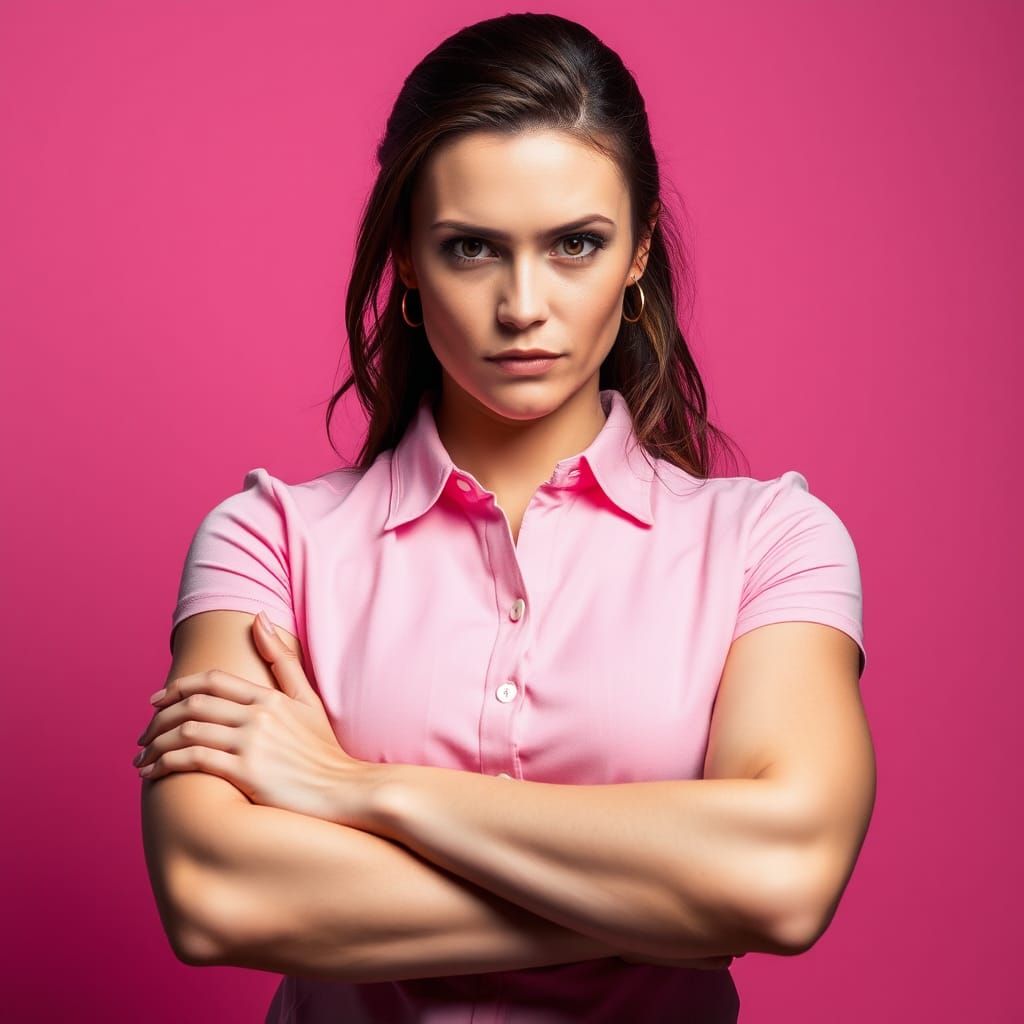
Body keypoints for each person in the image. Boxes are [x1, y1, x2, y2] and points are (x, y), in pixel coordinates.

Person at [136, 13, 874, 1023]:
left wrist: (357, 788)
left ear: (639, 249)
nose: (523, 303)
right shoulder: (267, 542)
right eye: (472, 247)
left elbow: (781, 877)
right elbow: (216, 895)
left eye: (575, 244)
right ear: (404, 256)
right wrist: (671, 901)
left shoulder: (770, 544)